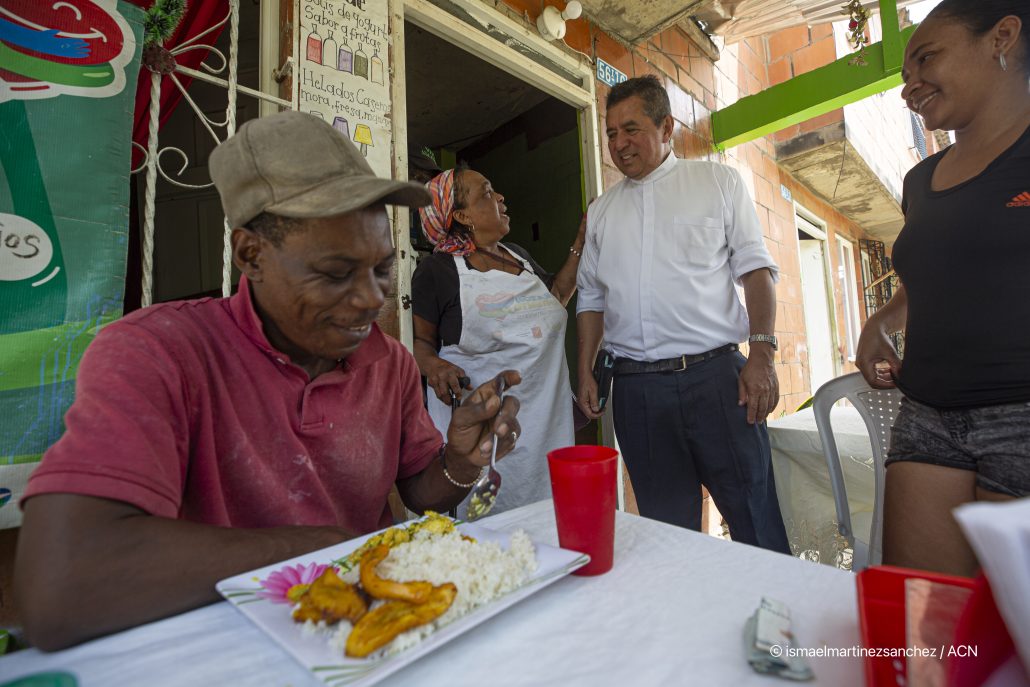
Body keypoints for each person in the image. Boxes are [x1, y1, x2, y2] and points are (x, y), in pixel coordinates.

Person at [14, 111, 522, 650]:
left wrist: (461, 462)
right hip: (221, 651)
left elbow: (421, 488)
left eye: (380, 268)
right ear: (250, 255)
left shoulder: (389, 363)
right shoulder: (157, 353)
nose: (372, 299)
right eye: (335, 273)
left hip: (361, 646)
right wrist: (328, 552)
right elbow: (62, 587)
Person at [575, 75, 790, 554]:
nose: (619, 143)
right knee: (668, 540)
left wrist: (762, 356)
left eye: (631, 129)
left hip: (718, 383)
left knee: (755, 523)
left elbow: (756, 271)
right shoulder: (604, 212)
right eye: (610, 133)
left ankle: (781, 629)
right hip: (637, 394)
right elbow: (589, 297)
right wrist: (586, 368)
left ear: (667, 126)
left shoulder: (717, 181)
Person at [856, 0, 1030, 577]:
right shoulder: (920, 180)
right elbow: (931, 277)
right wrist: (880, 323)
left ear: (1002, 37)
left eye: (926, 59)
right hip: (928, 417)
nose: (911, 87)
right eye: (904, 77)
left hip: (1022, 415)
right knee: (928, 635)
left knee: (1014, 640)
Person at [411, 166, 584, 518]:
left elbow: (559, 294)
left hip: (546, 429)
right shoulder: (438, 271)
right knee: (490, 532)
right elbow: (419, 344)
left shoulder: (516, 255)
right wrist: (435, 366)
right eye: (487, 193)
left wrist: (583, 242)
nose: (500, 197)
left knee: (548, 524)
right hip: (486, 437)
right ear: (462, 216)